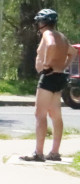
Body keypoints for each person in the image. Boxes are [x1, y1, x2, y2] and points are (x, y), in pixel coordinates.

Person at [21, 9, 74, 162]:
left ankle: (38, 153)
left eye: (39, 21)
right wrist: (64, 65)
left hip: (48, 78)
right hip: (59, 77)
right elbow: (73, 52)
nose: (38, 24)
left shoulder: (48, 34)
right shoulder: (62, 36)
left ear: (43, 22)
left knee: (40, 115)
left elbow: (50, 45)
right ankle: (55, 152)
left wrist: (46, 64)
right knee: (56, 115)